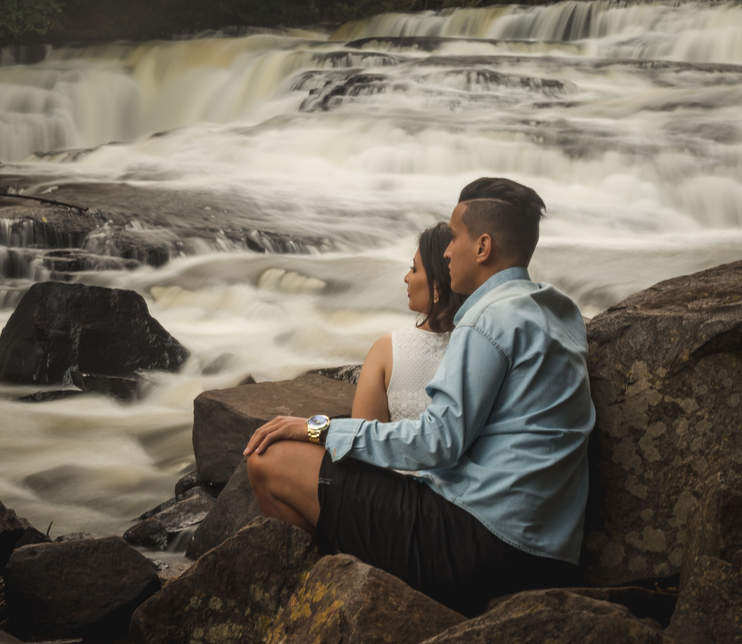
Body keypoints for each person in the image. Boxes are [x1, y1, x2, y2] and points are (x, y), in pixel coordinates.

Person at [244, 178, 594, 615]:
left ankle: (320, 609)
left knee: (270, 460)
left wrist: (319, 428)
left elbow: (437, 442)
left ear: (482, 247)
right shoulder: (560, 312)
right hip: (551, 555)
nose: (445, 252)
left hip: (478, 545)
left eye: (454, 237)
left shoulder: (486, 320)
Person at [351, 222, 463, 425]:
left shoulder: (387, 350)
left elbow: (361, 435)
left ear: (436, 285)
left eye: (414, 269)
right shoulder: (481, 342)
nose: (406, 278)